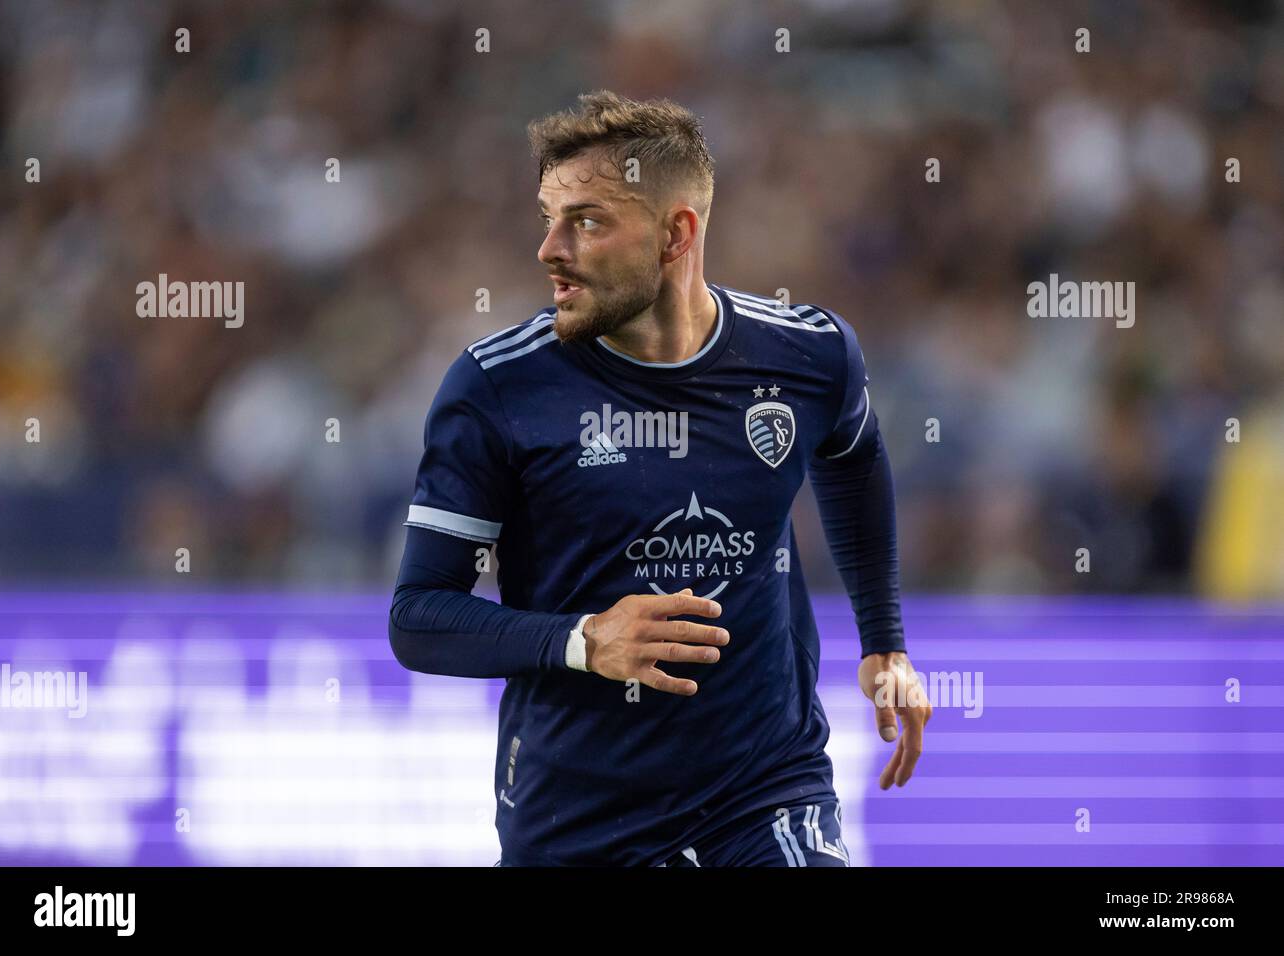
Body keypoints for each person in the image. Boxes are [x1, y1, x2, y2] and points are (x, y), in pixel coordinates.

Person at [389, 90, 931, 866]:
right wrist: (582, 639)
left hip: (764, 796)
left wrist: (884, 641)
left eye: (586, 220)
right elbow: (419, 616)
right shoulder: (497, 390)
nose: (549, 249)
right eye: (548, 218)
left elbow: (854, 459)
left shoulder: (808, 357)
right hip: (577, 819)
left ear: (676, 234)